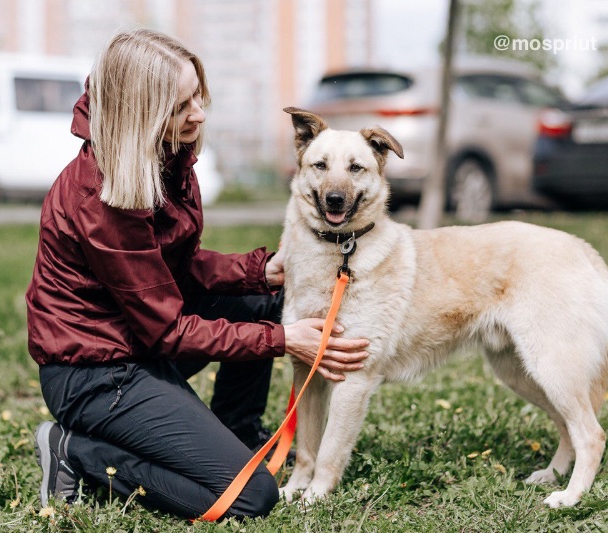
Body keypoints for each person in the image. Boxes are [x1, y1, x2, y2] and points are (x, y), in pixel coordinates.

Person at [26, 28, 369, 520]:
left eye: (198, 95)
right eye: (182, 105)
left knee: (259, 300)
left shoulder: (162, 155)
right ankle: (77, 452)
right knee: (249, 498)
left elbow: (170, 269)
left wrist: (259, 272)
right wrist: (283, 339)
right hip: (96, 373)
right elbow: (166, 328)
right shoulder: (100, 198)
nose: (200, 113)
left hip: (135, 341)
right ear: (141, 111)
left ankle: (237, 433)